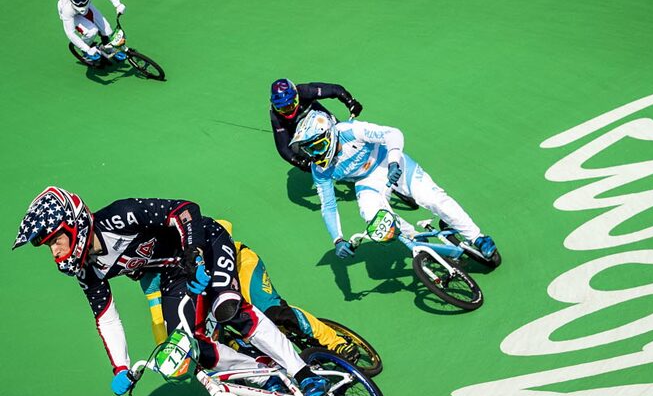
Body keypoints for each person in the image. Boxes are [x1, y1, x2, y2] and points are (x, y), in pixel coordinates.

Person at [12, 187, 328, 396]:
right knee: (189, 347)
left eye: (56, 240)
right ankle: (266, 378)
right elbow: (106, 317)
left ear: (75, 225)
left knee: (229, 308)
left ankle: (305, 375)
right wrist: (120, 367)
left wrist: (192, 250)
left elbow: (186, 209)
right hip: (174, 276)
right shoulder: (85, 270)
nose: (55, 251)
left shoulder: (121, 216)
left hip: (206, 244)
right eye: (49, 246)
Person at [140, 219, 360, 362]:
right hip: (206, 293)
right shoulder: (148, 275)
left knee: (274, 312)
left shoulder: (176, 232)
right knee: (220, 344)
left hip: (238, 264)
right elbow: (158, 317)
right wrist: (167, 348)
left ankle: (336, 342)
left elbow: (223, 227)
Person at [289, 110, 498, 260]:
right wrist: (338, 239)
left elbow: (392, 134)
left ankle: (477, 237)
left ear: (330, 135)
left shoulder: (351, 130)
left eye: (318, 146)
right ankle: (418, 240)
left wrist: (394, 161)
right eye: (310, 151)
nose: (316, 155)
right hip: (366, 181)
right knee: (374, 219)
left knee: (433, 199)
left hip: (389, 162)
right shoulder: (320, 170)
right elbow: (328, 206)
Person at [270, 78, 363, 171]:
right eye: (282, 109)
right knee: (310, 160)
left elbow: (335, 90)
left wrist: (350, 101)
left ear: (296, 97)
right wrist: (298, 161)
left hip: (322, 120)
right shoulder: (275, 115)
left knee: (343, 138)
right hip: (301, 136)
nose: (288, 111)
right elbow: (283, 148)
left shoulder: (305, 91)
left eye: (290, 105)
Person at [58, 0, 127, 64]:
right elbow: (70, 33)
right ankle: (85, 51)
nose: (81, 4)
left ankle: (107, 47)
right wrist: (87, 49)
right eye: (78, 1)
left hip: (88, 8)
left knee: (107, 30)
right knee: (92, 31)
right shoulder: (66, 10)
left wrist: (117, 4)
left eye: (84, 0)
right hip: (73, 14)